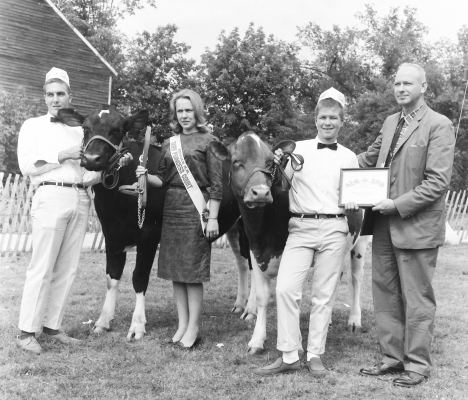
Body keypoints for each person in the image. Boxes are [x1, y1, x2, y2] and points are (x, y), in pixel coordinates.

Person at [16, 67, 131, 354]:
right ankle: (27, 331)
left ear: (70, 95)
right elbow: (27, 166)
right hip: (50, 194)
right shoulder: (33, 126)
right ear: (44, 97)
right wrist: (61, 155)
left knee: (68, 268)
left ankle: (53, 327)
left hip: (80, 197)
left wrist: (115, 164)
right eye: (50, 94)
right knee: (42, 266)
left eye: (61, 94)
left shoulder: (83, 129)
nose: (56, 99)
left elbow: (90, 173)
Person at [356, 63, 455, 387]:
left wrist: (397, 205)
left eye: (408, 83)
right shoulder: (389, 122)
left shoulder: (439, 125)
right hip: (383, 225)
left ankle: (416, 364)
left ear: (424, 87)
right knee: (384, 294)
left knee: (417, 298)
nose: (400, 88)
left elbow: (437, 183)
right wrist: (327, 158)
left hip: (417, 226)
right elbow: (368, 160)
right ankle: (391, 358)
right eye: (396, 83)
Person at [256, 88, 359, 377]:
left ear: (342, 121)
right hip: (300, 227)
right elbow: (281, 185)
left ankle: (315, 354)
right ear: (315, 120)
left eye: (334, 118)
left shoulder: (350, 157)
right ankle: (289, 354)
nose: (328, 122)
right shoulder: (295, 150)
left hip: (335, 227)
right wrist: (278, 162)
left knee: (323, 295)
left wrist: (353, 202)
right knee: (286, 288)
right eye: (323, 117)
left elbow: (355, 192)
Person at [136, 89, 222, 349]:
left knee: (192, 272)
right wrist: (144, 174)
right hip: (172, 207)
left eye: (188, 110)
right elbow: (161, 180)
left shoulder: (210, 141)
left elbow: (217, 185)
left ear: (197, 111)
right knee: (176, 270)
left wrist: (214, 217)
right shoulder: (169, 143)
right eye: (180, 111)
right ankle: (182, 325)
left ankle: (194, 328)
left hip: (197, 209)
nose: (184, 115)